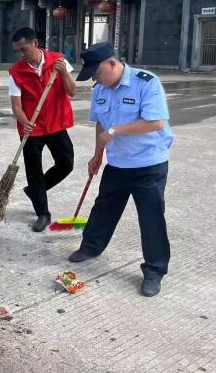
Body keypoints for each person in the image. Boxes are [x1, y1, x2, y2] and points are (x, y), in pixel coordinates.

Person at [70, 42, 174, 297]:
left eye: (97, 73)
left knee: (151, 217)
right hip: (117, 163)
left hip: (148, 163)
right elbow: (100, 125)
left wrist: (115, 131)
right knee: (104, 207)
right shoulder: (100, 89)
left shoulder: (147, 83)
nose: (96, 79)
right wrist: (97, 154)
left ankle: (154, 270)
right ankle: (91, 246)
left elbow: (155, 123)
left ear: (112, 64)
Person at [9, 27, 77, 232]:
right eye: (17, 51)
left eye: (24, 49)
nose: (21, 54)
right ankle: (42, 213)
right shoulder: (16, 72)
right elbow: (16, 106)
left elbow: (72, 91)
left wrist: (63, 72)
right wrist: (25, 122)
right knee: (34, 171)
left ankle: (35, 191)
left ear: (35, 43)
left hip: (56, 123)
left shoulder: (58, 61)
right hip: (32, 129)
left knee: (66, 164)